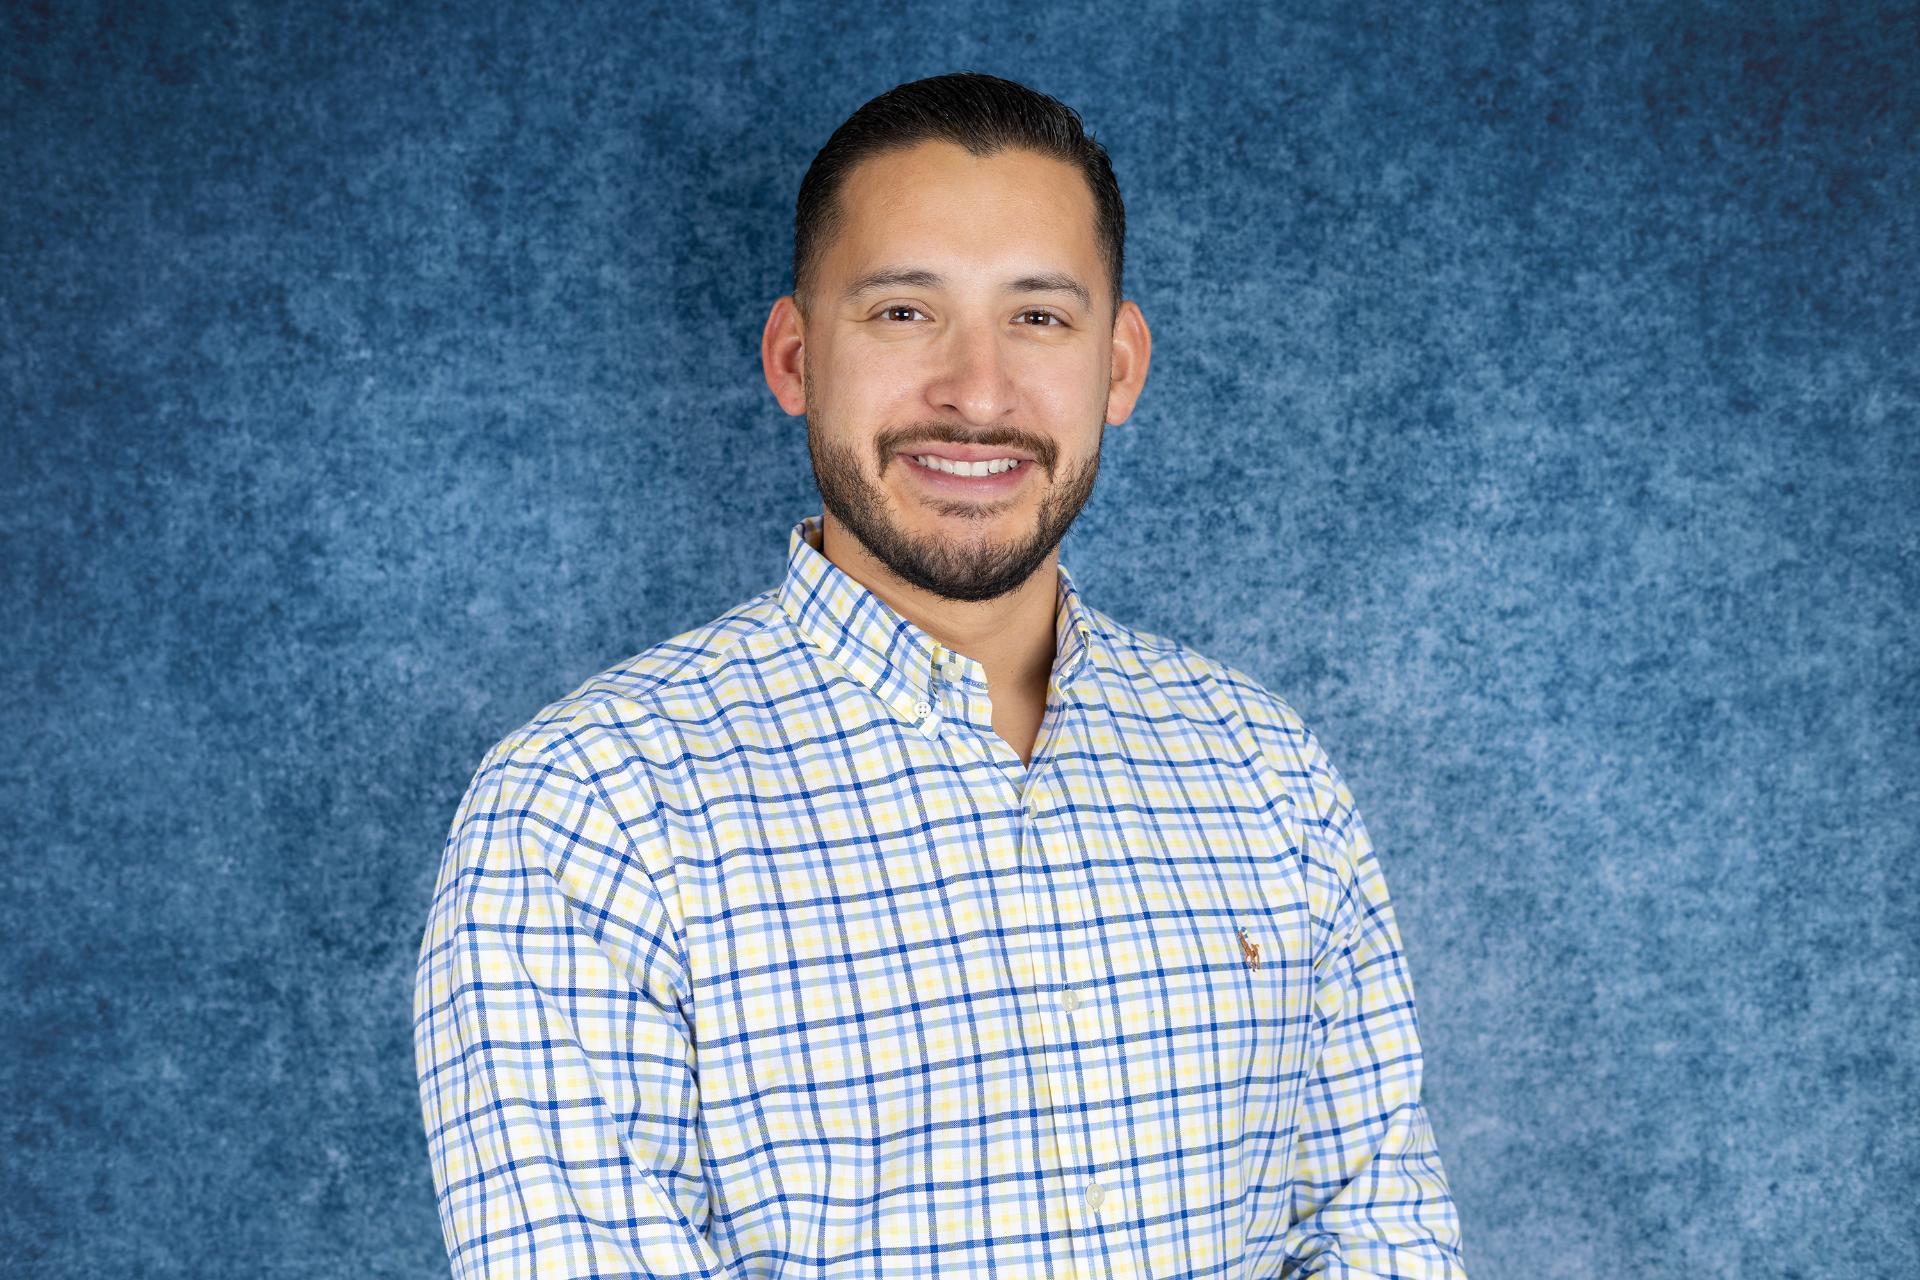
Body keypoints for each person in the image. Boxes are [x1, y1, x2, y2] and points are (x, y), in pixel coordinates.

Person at [412, 71, 1469, 1279]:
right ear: (796, 357)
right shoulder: (587, 813)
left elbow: (1379, 1231)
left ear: (1118, 366)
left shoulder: (1265, 767)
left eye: (1039, 317)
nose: (977, 392)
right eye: (906, 313)